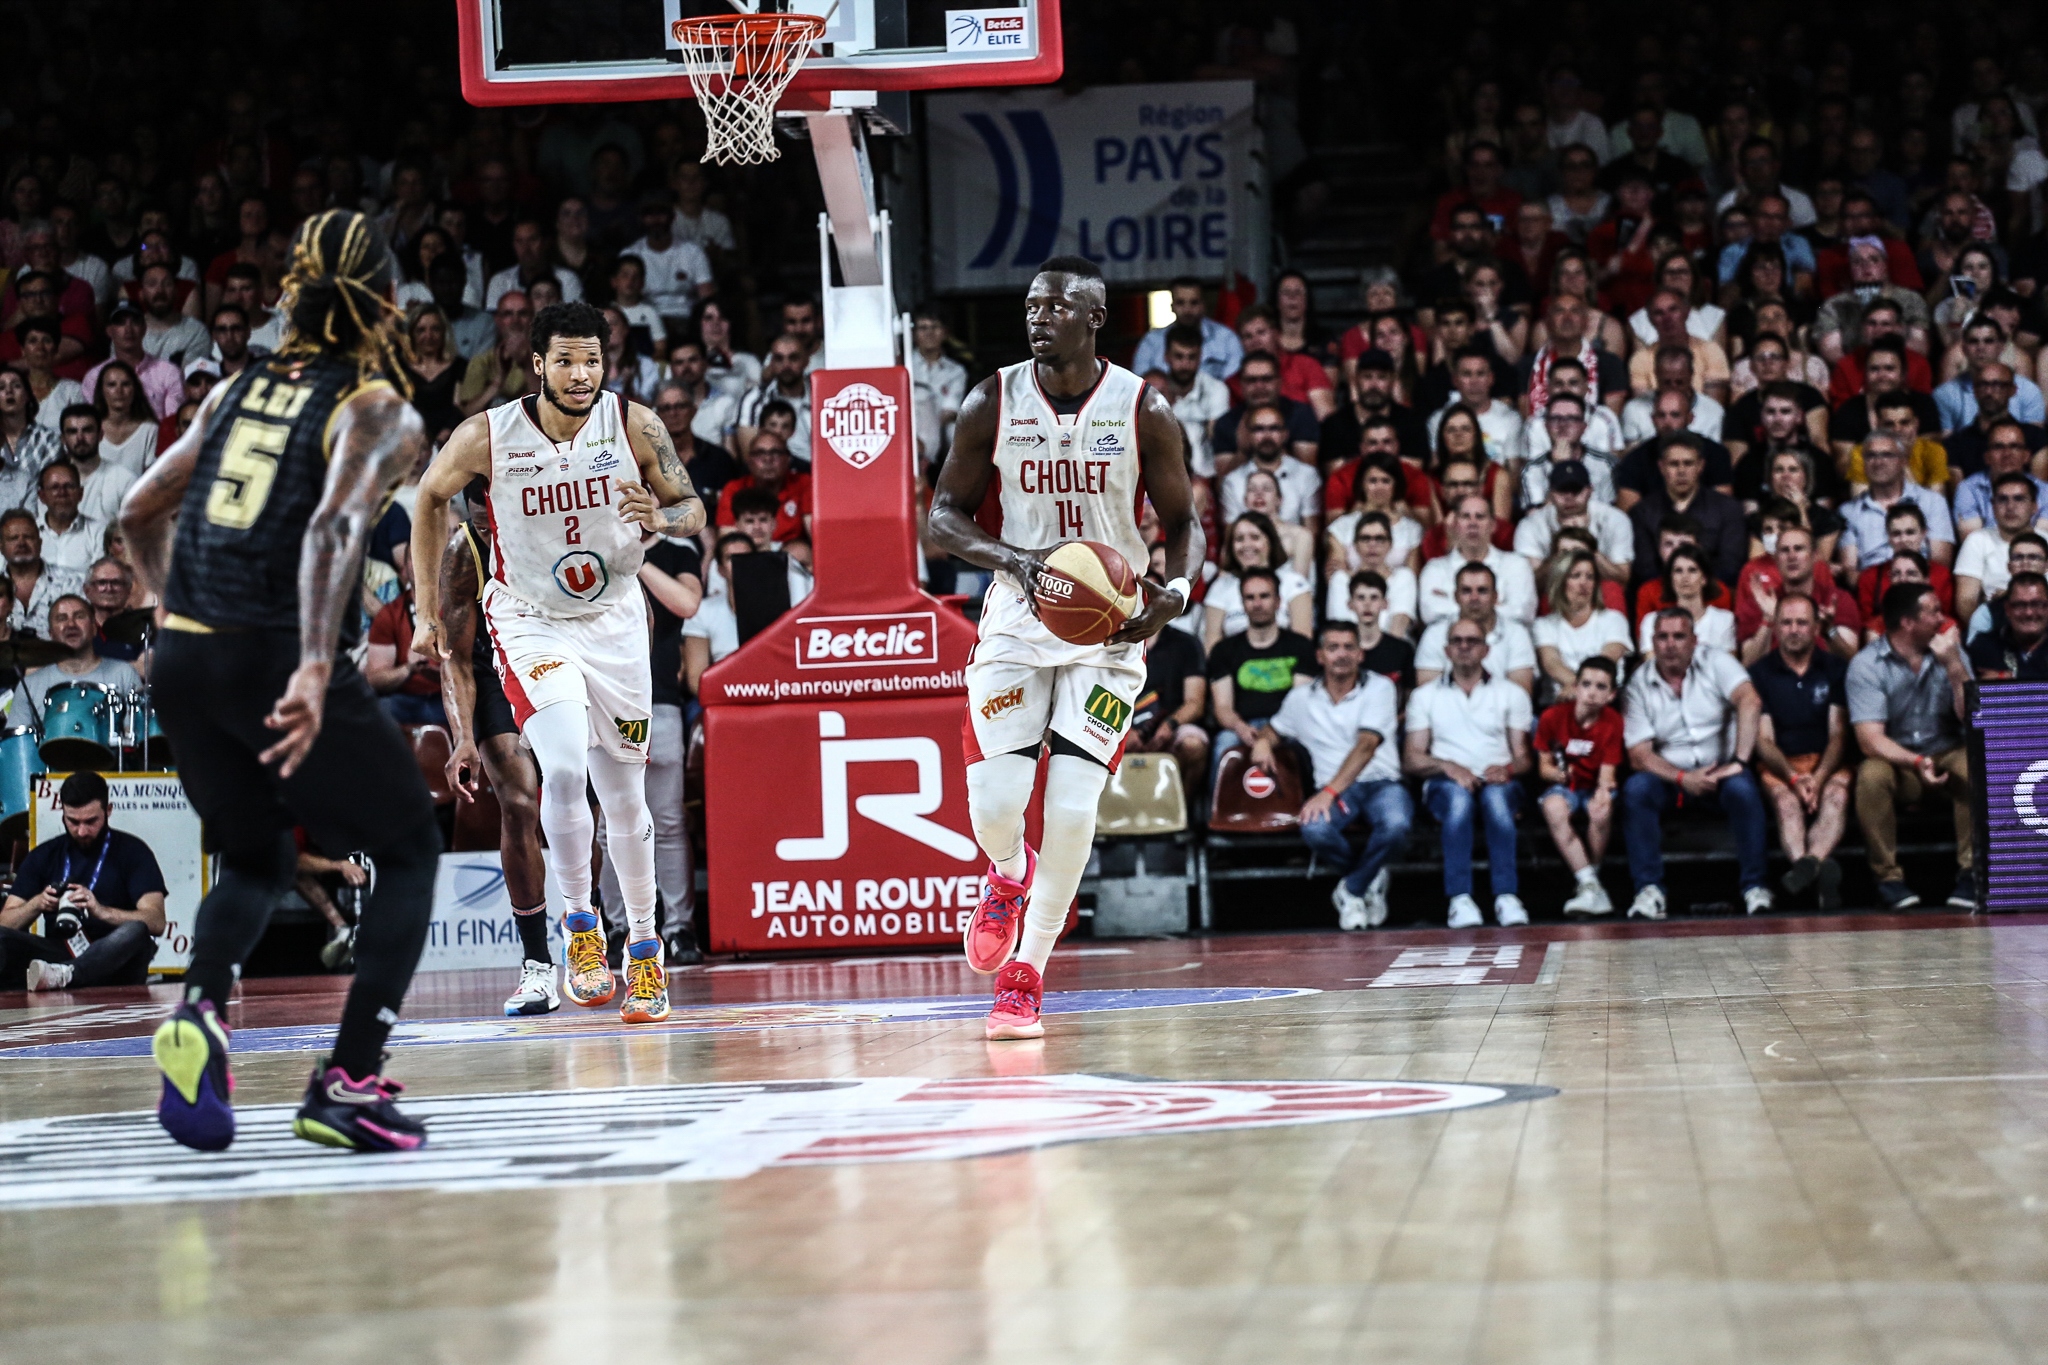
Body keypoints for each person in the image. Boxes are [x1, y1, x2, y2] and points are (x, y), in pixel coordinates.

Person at [120, 210, 441, 1153]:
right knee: (411, 848)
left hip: (185, 649)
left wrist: (167, 613)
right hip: (273, 648)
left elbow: (141, 509)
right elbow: (336, 528)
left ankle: (200, 1010)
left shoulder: (235, 390)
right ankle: (347, 1081)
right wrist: (310, 662)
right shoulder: (378, 408)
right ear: (386, 301)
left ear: (291, 295)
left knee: (257, 857)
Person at [412, 298, 706, 1027]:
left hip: (612, 623)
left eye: (592, 360)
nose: (581, 374)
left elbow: (692, 507)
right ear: (537, 364)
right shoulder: (489, 434)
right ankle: (580, 929)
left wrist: (660, 517)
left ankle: (643, 950)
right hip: (532, 620)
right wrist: (424, 610)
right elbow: (427, 497)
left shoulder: (634, 423)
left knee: (626, 800)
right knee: (566, 766)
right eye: (566, 360)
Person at [928, 254, 1196, 1042]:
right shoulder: (992, 400)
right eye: (1032, 305)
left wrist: (1172, 595)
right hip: (1016, 615)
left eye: (1056, 306)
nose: (1038, 317)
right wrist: (1014, 562)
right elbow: (941, 517)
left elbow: (1185, 526)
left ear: (1094, 318)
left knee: (1075, 809)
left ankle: (1027, 974)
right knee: (999, 806)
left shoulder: (1144, 409)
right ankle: (1008, 873)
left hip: (1108, 629)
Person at [1621, 608, 1772, 919]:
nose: (1671, 644)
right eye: (1662, 637)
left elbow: (1750, 700)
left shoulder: (1716, 661)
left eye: (1679, 636)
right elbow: (1638, 754)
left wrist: (1740, 761)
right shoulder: (1638, 683)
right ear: (1653, 641)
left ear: (1694, 640)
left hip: (1722, 770)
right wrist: (1681, 777)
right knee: (1636, 790)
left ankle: (1755, 887)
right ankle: (1648, 890)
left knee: (1743, 790)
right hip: (1670, 779)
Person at [1263, 620, 1411, 930]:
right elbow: (1274, 729)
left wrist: (1329, 792)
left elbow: (1367, 745)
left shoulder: (1381, 687)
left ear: (1361, 654)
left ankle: (1352, 888)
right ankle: (1369, 877)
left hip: (1380, 782)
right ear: (1320, 656)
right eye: (1333, 648)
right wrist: (1263, 742)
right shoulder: (1300, 698)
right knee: (1314, 828)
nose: (1341, 654)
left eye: (1348, 647)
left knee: (1397, 824)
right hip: (1336, 790)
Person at [1847, 583, 1977, 911]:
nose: (1941, 618)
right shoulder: (1867, 665)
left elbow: (1972, 722)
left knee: (1975, 764)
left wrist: (1953, 667)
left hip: (1948, 750)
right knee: (1871, 775)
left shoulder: (1952, 653)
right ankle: (1889, 879)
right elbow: (1870, 739)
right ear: (1908, 622)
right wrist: (1916, 762)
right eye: (1932, 611)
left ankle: (1972, 874)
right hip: (1901, 760)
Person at [1403, 618, 1535, 928]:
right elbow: (1411, 758)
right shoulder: (1425, 696)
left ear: (1486, 649)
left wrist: (1509, 769)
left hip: (1499, 780)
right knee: (1459, 802)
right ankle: (1460, 899)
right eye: (1457, 641)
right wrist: (1448, 767)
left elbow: (1525, 758)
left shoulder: (1512, 694)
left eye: (1472, 640)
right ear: (1446, 650)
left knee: (1497, 804)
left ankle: (1506, 896)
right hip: (1445, 782)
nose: (1464, 646)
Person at [0, 771, 166, 991]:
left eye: (91, 821)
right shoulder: (45, 855)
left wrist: (100, 911)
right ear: (63, 813)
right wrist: (37, 904)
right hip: (60, 954)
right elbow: (5, 922)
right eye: (73, 821)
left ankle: (68, 975)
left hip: (114, 957)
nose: (82, 830)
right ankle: (65, 974)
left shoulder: (133, 851)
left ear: (108, 811)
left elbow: (156, 921)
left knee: (136, 930)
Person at [1748, 593, 1853, 909]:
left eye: (1802, 622)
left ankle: (1805, 870)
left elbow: (1838, 735)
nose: (1794, 629)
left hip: (1827, 762)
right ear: (1776, 627)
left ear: (1816, 627)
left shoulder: (1835, 668)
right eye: (1787, 622)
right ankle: (1816, 870)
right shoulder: (1760, 673)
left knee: (1837, 796)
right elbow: (1763, 741)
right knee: (1786, 805)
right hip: (1781, 764)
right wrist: (1794, 778)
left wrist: (1818, 779)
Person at [1535, 655, 1624, 916]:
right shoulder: (1552, 717)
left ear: (1611, 694)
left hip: (1593, 784)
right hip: (1566, 786)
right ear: (1575, 687)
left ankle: (1590, 883)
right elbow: (1543, 768)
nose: (1592, 693)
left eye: (1601, 687)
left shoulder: (1612, 721)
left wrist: (1603, 793)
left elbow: (1608, 773)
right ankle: (1590, 884)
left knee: (1601, 809)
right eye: (1586, 684)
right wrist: (1558, 775)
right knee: (1553, 807)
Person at [1627, 435, 1748, 586]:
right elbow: (1644, 568)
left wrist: (1695, 587)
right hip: (1659, 595)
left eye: (1688, 463)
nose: (1681, 471)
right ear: (1661, 467)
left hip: (1712, 593)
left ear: (1701, 466)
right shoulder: (1642, 512)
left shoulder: (1728, 509)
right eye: (1674, 464)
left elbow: (1730, 566)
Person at [1735, 524, 1863, 663]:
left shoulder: (1839, 600)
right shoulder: (1758, 604)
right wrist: (1768, 620)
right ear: (1776, 559)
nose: (1791, 556)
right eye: (1784, 550)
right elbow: (1749, 665)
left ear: (1815, 556)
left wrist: (1829, 632)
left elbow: (1850, 662)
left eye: (1799, 549)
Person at [1836, 432, 1956, 577]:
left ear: (1904, 461)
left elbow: (1940, 562)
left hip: (1921, 585)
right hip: (1872, 588)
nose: (1878, 462)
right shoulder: (1848, 511)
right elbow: (1850, 570)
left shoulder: (1932, 502)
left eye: (1887, 455)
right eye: (1871, 456)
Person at [1415, 561, 1538, 693]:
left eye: (1482, 591)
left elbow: (1521, 693)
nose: (1474, 598)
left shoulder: (1516, 633)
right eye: (1466, 591)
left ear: (1495, 596)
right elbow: (1426, 693)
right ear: (1456, 596)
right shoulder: (1435, 634)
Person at [1126, 607, 1209, 800]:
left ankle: (1180, 813)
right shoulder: (1114, 644)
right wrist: (1122, 733)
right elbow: (1100, 696)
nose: (1147, 605)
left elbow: (1195, 703)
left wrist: (1169, 725)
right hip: (1122, 727)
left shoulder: (1187, 643)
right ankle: (1103, 817)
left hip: (1172, 724)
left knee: (1193, 745)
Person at [1419, 493, 1538, 626]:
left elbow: (1523, 613)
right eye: (1465, 516)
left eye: (1480, 517)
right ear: (1455, 525)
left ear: (1493, 525)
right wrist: (1495, 607)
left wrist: (1453, 604)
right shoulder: (1435, 569)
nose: (1473, 523)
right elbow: (1430, 613)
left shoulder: (1516, 565)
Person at [20, 593, 144, 716]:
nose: (71, 624)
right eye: (62, 618)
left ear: (94, 628)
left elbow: (139, 729)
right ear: (50, 633)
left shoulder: (124, 674)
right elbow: (16, 734)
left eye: (79, 616)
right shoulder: (30, 685)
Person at [1533, 550, 1631, 704]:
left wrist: (1580, 689)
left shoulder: (1614, 619)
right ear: (1560, 581)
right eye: (1575, 576)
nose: (1584, 583)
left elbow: (1606, 660)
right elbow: (1551, 662)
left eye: (1590, 577)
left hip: (1604, 702)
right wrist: (1579, 687)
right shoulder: (1544, 625)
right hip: (1559, 703)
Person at [1514, 458, 1632, 582]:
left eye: (1576, 490)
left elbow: (1623, 578)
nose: (1569, 497)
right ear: (1550, 493)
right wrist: (1560, 552)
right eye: (1562, 491)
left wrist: (1586, 547)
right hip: (1552, 593)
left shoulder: (1615, 519)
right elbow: (1531, 583)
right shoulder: (1531, 525)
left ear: (1589, 490)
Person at [1956, 473, 2043, 623]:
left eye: (2019, 499)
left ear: (2034, 506)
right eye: (2002, 499)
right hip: (1995, 628)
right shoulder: (1976, 540)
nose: (2010, 507)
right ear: (1993, 506)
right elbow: (1966, 602)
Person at [1129, 275, 1243, 381]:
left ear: (1203, 305)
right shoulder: (1151, 342)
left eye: (1194, 303)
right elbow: (1141, 385)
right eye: (1180, 303)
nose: (1187, 310)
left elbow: (1233, 385)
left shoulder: (1227, 338)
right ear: (1172, 306)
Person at [52, 408, 133, 540]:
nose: (80, 438)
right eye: (72, 432)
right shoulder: (50, 483)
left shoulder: (124, 480)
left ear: (100, 435)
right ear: (63, 439)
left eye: (87, 430)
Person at [2, 509, 81, 635]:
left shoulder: (69, 582)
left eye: (28, 537)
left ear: (40, 543)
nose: (21, 543)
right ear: (1, 547)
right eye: (13, 538)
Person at [1967, 571, 2048, 679]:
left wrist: (2006, 677)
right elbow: (1971, 693)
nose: (2029, 612)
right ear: (2008, 609)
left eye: (2037, 604)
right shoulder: (1983, 646)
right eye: (2020, 605)